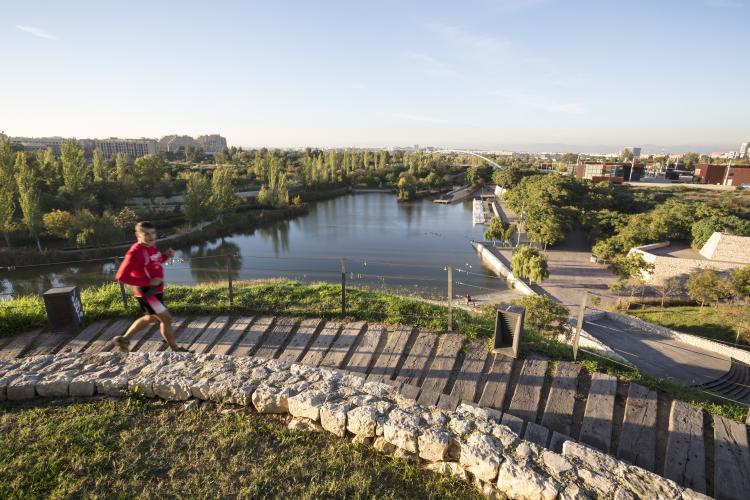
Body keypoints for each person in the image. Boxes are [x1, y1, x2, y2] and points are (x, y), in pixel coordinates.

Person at [113, 221, 186, 352]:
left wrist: (165, 256)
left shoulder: (151, 246)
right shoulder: (135, 252)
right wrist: (149, 283)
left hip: (155, 290)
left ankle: (124, 339)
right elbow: (121, 276)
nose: (151, 236)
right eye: (146, 234)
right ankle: (175, 348)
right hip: (147, 292)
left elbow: (154, 262)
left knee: (151, 318)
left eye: (153, 233)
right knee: (166, 318)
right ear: (138, 235)